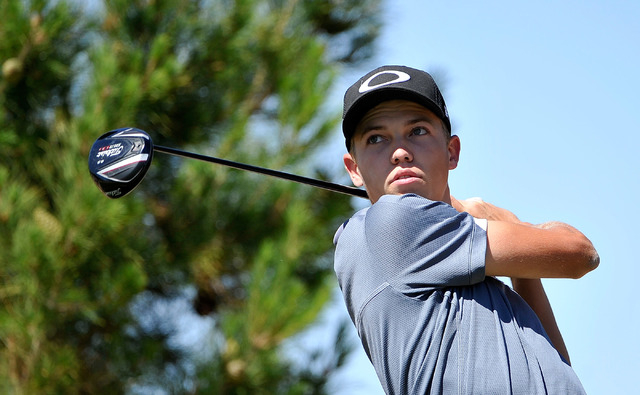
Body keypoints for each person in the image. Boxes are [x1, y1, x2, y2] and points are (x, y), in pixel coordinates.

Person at [333, 65, 599, 394]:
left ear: (451, 151)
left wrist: (521, 266)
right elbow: (580, 253)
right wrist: (507, 222)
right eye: (376, 138)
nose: (400, 151)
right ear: (354, 169)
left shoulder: (461, 259)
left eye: (417, 131)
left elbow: (557, 366)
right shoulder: (392, 222)